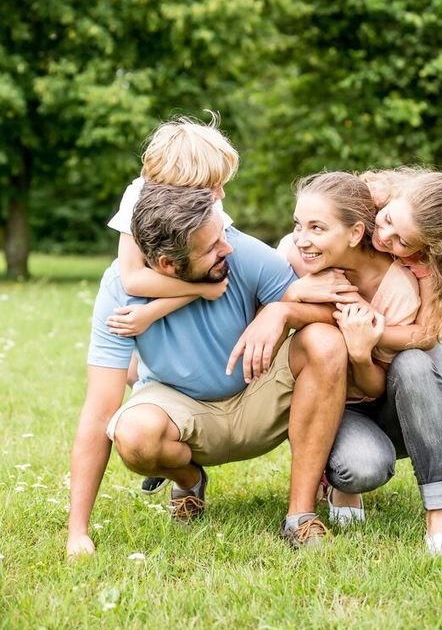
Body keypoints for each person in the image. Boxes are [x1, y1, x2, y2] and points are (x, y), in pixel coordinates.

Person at [66, 183, 348, 558]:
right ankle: (190, 481)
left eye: (222, 236)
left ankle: (300, 515)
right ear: (168, 265)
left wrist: (282, 311)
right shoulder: (120, 290)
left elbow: (335, 313)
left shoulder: (240, 250)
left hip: (257, 392)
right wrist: (77, 532)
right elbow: (100, 410)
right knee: (133, 435)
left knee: (325, 342)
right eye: (212, 247)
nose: (226, 247)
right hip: (181, 409)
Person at [279, 171, 442, 556]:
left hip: (388, 401)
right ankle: (339, 484)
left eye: (402, 240)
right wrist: (296, 293)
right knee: (360, 467)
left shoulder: (409, 279)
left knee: (416, 364)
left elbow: (428, 372)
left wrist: (365, 342)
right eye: (300, 225)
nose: (387, 239)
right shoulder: (303, 255)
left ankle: (438, 519)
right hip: (336, 407)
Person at [106, 114, 239, 492]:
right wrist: (193, 292)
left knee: (151, 371)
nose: (222, 196)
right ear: (185, 182)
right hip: (148, 305)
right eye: (216, 186)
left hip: (173, 314)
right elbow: (132, 278)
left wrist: (156, 309)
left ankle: (165, 444)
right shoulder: (138, 197)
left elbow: (214, 276)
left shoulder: (204, 212)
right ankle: (162, 450)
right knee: (137, 373)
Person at [363, 168, 442, 511]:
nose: (385, 238)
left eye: (403, 242)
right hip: (373, 301)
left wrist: (372, 334)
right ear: (391, 200)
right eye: (386, 221)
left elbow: (428, 333)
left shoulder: (431, 261)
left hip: (415, 318)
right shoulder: (372, 197)